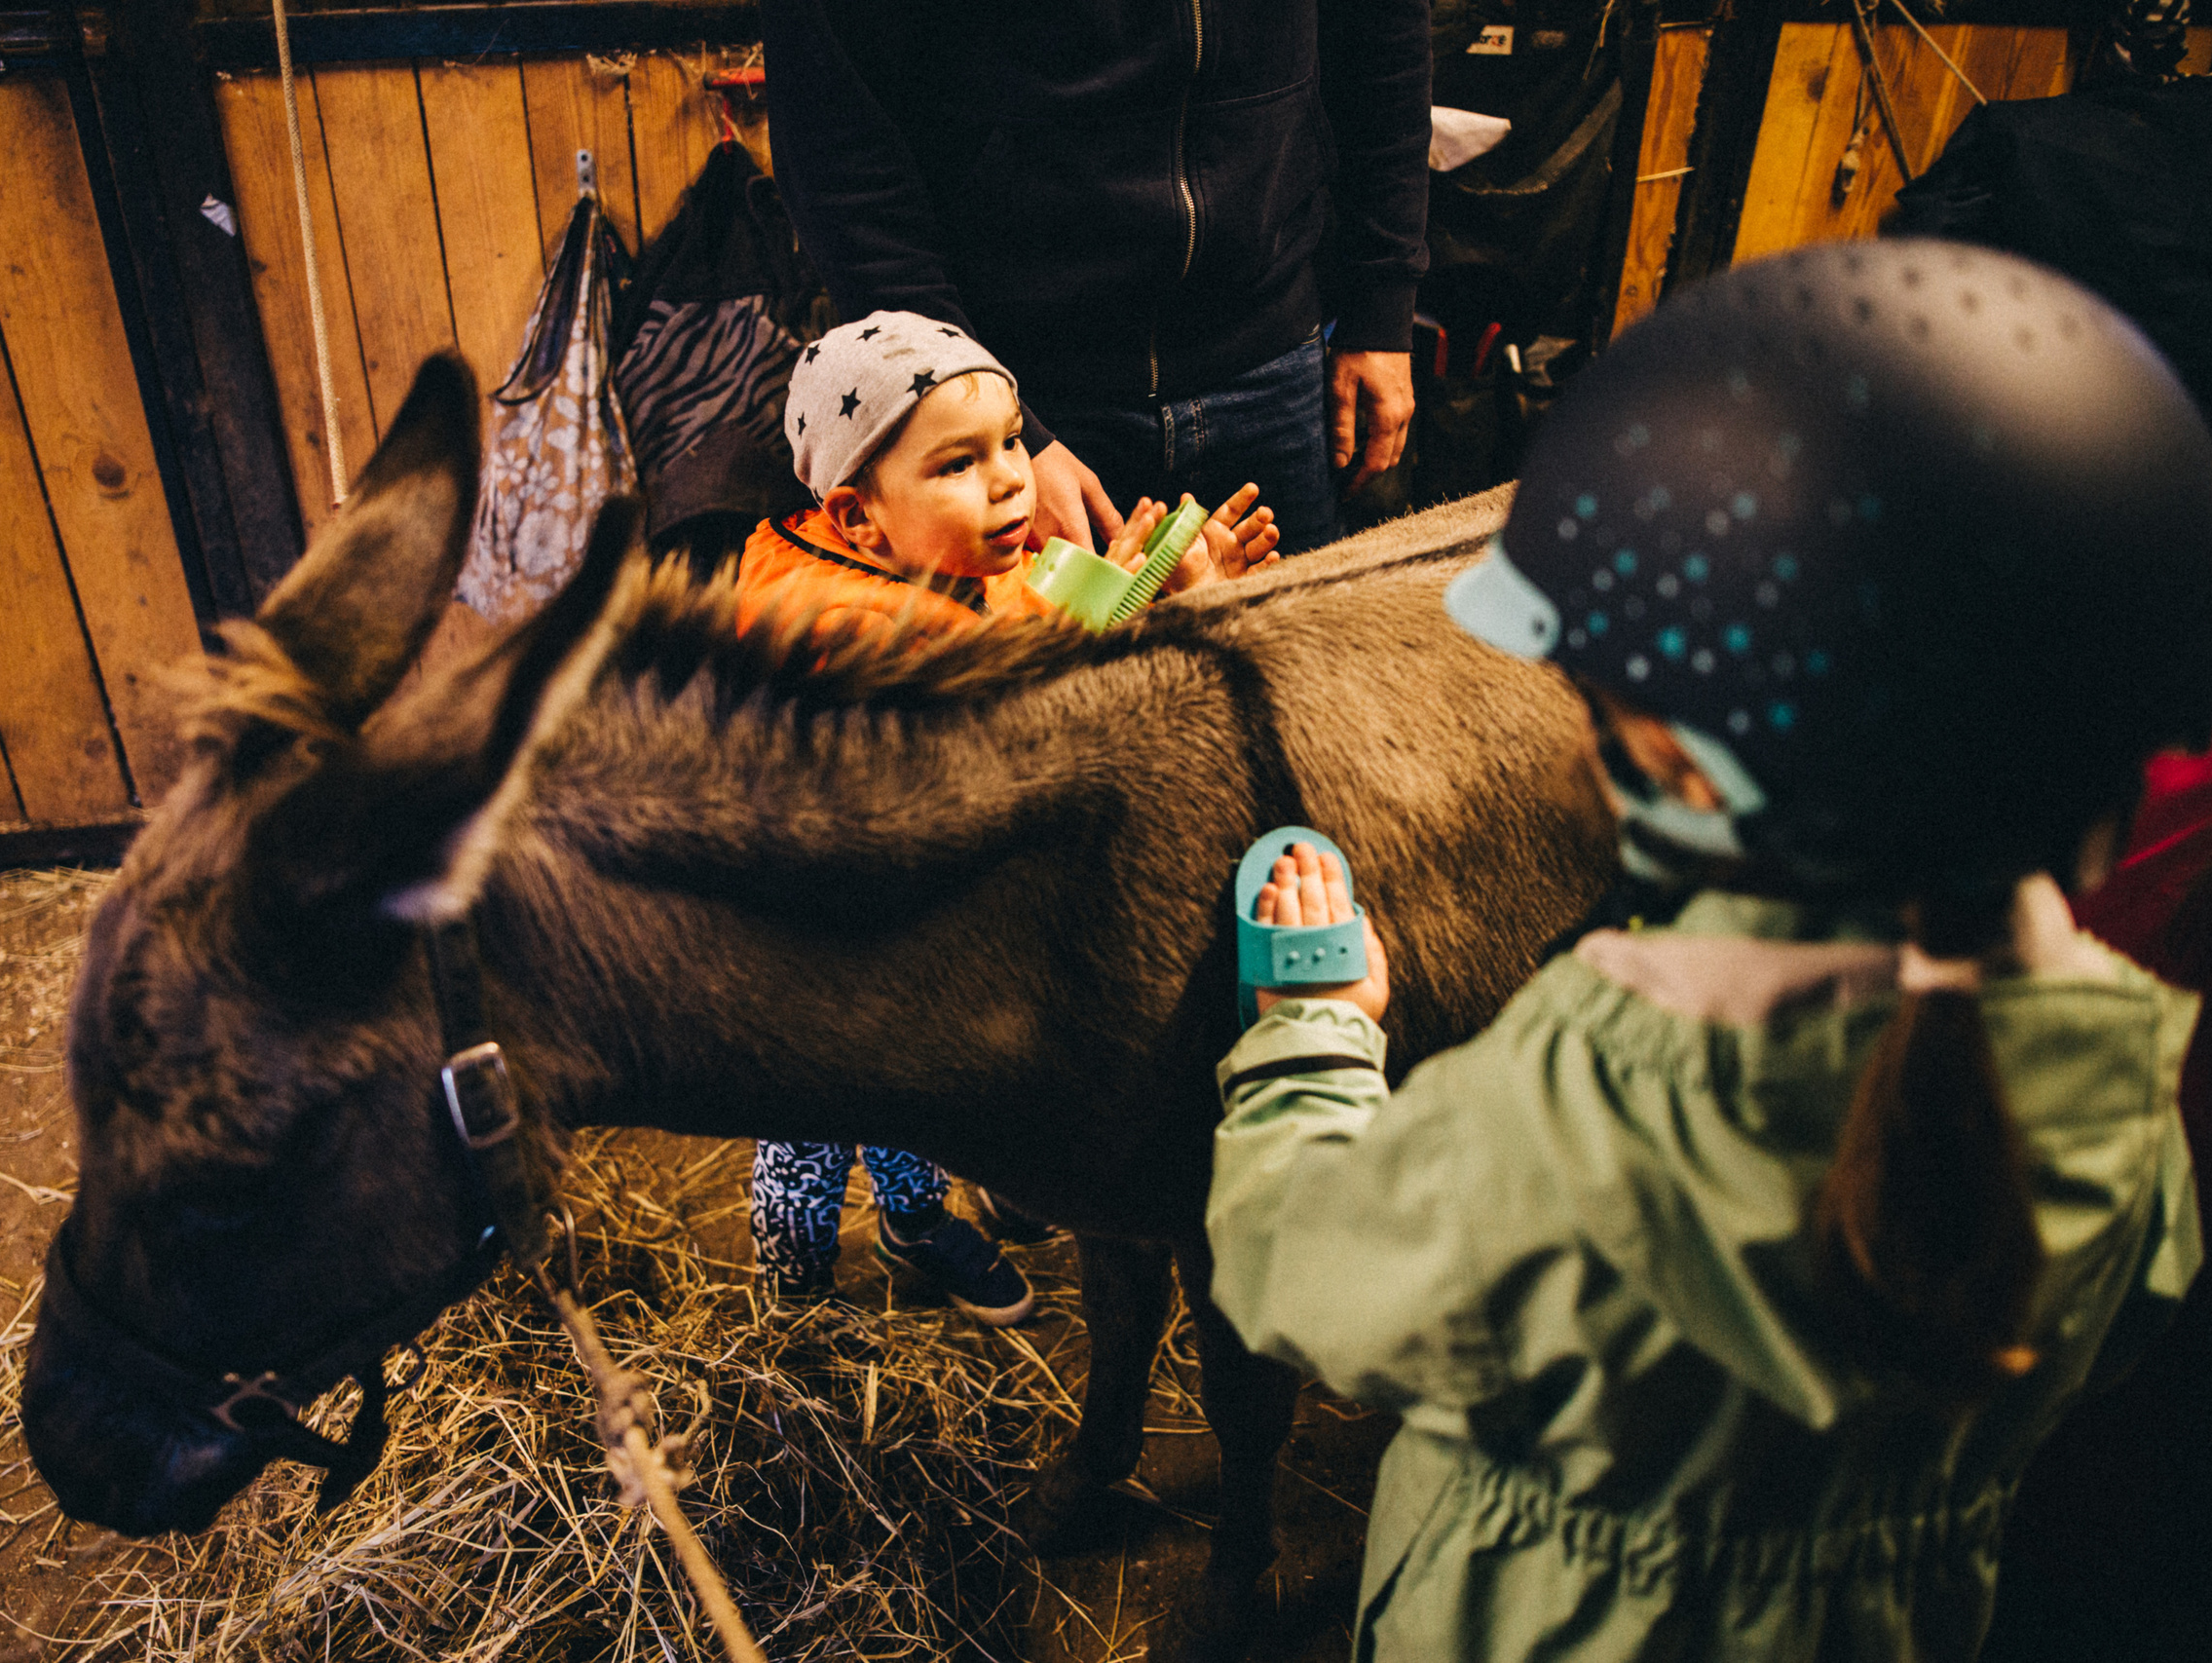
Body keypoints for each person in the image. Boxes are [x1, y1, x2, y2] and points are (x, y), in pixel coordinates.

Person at [1202, 240, 2212, 1659]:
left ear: (1666, 751)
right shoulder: (2128, 1089)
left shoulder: (1581, 1114)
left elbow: (1296, 1273)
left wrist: (1317, 1036)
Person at [740, 309, 1275, 1321]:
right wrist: (1167, 623)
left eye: (1013, 442)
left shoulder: (966, 564)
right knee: (810, 1117)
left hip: (919, 933)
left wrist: (1148, 588)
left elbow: (1045, 624)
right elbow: (1011, 721)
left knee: (909, 1089)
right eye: (958, 463)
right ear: (858, 517)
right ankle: (793, 1293)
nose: (1009, 480)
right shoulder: (836, 632)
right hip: (813, 944)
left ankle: (910, 1221)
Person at [759, 0, 1431, 559]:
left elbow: (1384, 41)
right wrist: (996, 436)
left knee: (1300, 703)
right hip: (1019, 395)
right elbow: (840, 153)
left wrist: (1382, 302)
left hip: (1276, 371)